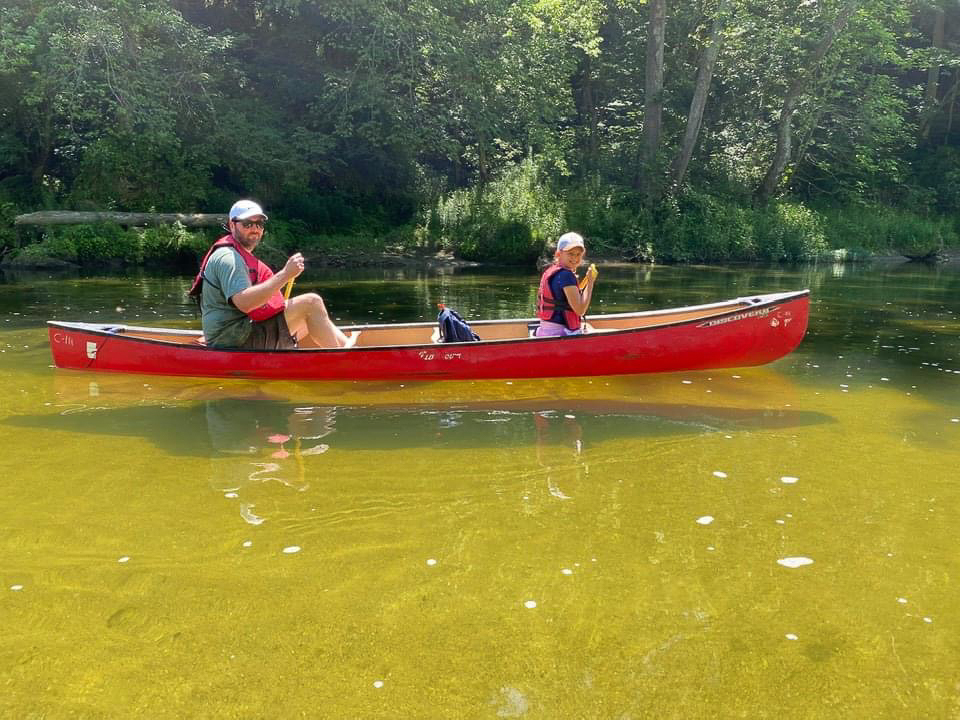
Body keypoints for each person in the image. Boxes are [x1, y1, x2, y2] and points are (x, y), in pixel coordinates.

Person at [189, 199, 354, 349]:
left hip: (237, 332)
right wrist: (285, 275)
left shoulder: (237, 254)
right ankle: (343, 361)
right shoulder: (229, 258)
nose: (254, 228)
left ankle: (348, 350)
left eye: (259, 224)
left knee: (310, 317)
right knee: (311, 302)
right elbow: (244, 303)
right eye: (247, 224)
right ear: (232, 226)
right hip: (232, 339)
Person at [534, 232, 597, 337]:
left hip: (545, 331)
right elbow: (580, 310)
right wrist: (590, 283)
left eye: (578, 254)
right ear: (558, 254)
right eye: (570, 254)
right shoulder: (566, 275)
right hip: (560, 333)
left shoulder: (554, 271)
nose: (575, 258)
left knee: (589, 327)